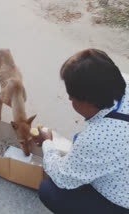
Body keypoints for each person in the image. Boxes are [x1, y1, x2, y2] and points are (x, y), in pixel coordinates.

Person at [35, 49, 129, 214]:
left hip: (123, 200)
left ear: (88, 101)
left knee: (49, 190)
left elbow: (62, 177)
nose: (70, 99)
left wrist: (47, 143)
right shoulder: (123, 80)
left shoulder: (98, 138)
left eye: (71, 96)